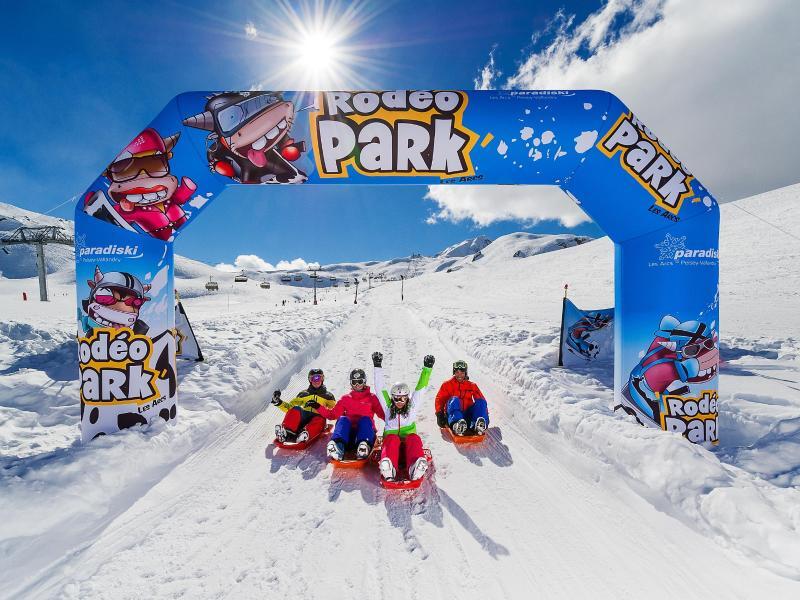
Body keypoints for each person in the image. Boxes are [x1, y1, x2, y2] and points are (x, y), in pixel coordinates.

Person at [372, 352, 435, 482]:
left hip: (408, 446)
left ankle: (414, 467)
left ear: (407, 397)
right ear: (392, 398)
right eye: (396, 398)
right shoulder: (388, 407)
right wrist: (377, 366)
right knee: (392, 438)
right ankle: (389, 468)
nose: (400, 401)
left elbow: (420, 389)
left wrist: (427, 369)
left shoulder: (412, 406)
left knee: (414, 438)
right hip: (392, 447)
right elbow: (380, 388)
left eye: (403, 398)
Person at [306, 368, 385, 460]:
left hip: (366, 434)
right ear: (351, 383)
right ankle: (338, 447)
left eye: (359, 381)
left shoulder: (372, 398)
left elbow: (383, 414)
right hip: (348, 436)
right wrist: (318, 407)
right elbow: (332, 415)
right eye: (354, 382)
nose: (357, 385)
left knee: (365, 420)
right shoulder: (346, 399)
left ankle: (363, 447)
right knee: (343, 419)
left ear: (364, 382)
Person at [271, 368, 336, 443]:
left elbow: (334, 413)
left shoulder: (328, 396)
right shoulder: (303, 394)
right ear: (310, 380)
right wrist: (278, 402)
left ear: (322, 379)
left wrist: (319, 407)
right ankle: (286, 433)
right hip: (305, 417)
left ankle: (305, 436)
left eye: (318, 377)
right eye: (313, 378)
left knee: (319, 419)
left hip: (319, 418)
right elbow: (290, 408)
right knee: (296, 409)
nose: (316, 381)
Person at [434, 360, 489, 436]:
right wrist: (439, 414)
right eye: (457, 372)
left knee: (481, 401)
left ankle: (478, 425)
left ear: (465, 373)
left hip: (467, 413)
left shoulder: (472, 385)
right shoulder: (447, 385)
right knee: (455, 400)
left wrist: (485, 416)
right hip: (453, 413)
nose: (459, 375)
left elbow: (482, 402)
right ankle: (457, 425)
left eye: (462, 373)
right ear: (454, 373)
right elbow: (439, 399)